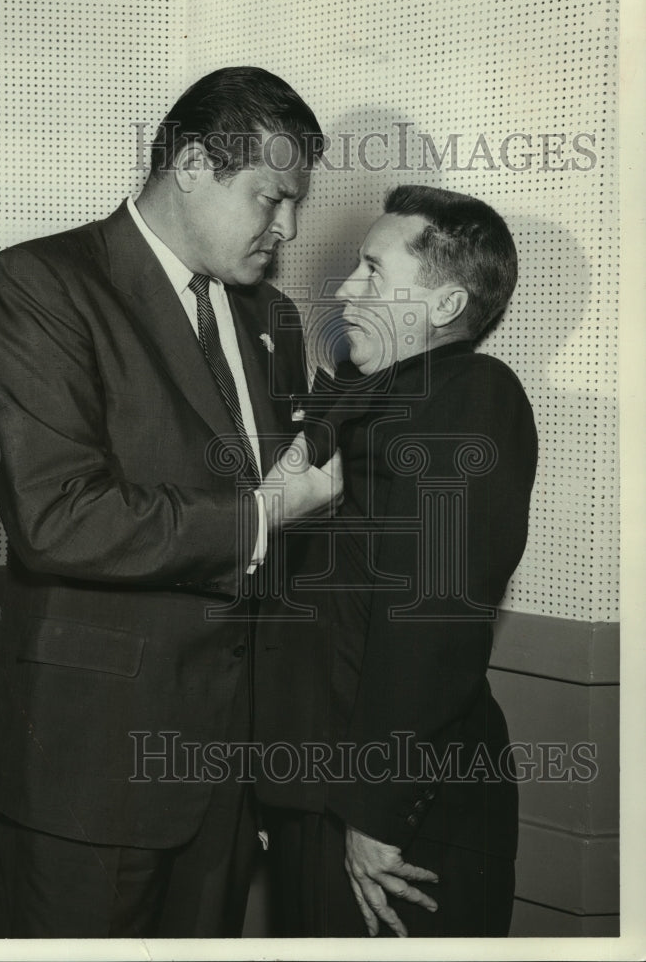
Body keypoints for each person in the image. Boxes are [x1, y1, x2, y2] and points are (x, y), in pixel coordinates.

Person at [0, 66, 341, 938]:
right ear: (190, 165)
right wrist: (262, 514)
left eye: (295, 204)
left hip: (225, 785)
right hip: (90, 780)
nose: (284, 228)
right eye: (269, 197)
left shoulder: (274, 321)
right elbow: (58, 518)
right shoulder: (41, 286)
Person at [254, 184, 538, 938]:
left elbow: (435, 621)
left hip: (391, 815)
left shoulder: (472, 393)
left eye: (372, 270)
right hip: (319, 794)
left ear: (443, 306)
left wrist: (373, 814)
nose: (345, 288)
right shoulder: (375, 396)